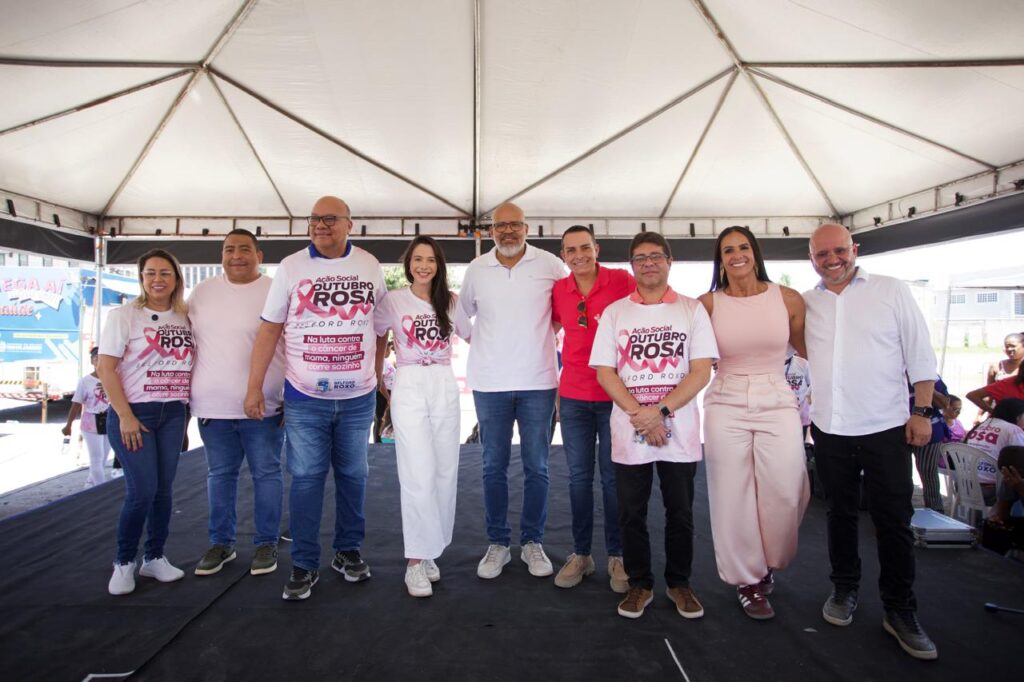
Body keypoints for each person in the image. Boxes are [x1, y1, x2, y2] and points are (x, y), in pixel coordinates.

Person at [803, 223, 939, 660]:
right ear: (812, 258)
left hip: (886, 428)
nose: (832, 260)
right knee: (839, 515)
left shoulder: (891, 290)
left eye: (839, 250)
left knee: (893, 520)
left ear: (854, 250)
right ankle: (844, 590)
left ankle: (900, 610)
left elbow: (920, 354)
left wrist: (921, 413)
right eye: (822, 254)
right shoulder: (808, 304)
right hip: (830, 428)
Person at [245, 196, 387, 601]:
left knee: (354, 477)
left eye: (329, 219)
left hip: (358, 398)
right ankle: (305, 564)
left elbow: (379, 328)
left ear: (349, 224)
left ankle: (347, 551)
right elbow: (269, 330)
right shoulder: (291, 267)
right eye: (314, 219)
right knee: (306, 480)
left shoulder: (369, 265)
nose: (320, 225)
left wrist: (376, 374)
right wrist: (255, 387)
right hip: (305, 398)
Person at [591, 232, 718, 620]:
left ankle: (679, 582)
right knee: (631, 513)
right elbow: (605, 372)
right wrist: (642, 416)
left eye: (656, 256)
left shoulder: (691, 309)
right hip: (630, 428)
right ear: (632, 265)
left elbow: (700, 372)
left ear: (669, 261)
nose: (648, 263)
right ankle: (640, 584)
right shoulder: (615, 312)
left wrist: (658, 412)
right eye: (640, 257)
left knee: (680, 512)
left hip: (677, 430)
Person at [697, 225, 810, 620]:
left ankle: (770, 561)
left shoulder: (788, 298)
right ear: (721, 258)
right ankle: (748, 581)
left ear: (755, 252)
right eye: (728, 250)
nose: (736, 255)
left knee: (786, 487)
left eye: (743, 247)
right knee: (732, 494)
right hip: (725, 399)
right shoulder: (707, 304)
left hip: (777, 398)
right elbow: (692, 359)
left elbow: (810, 351)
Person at [458, 202, 565, 580]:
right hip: (490, 384)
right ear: (490, 231)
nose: (507, 231)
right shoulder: (477, 269)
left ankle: (533, 542)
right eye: (500, 226)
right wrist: (485, 345)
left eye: (514, 225)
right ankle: (499, 544)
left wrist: (549, 333)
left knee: (538, 467)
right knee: (492, 467)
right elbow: (460, 318)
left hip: (539, 382)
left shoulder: (550, 265)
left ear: (527, 228)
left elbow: (569, 305)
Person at [374, 236, 471, 598]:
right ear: (408, 263)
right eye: (418, 259)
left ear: (439, 264)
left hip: (443, 382)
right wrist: (379, 375)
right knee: (416, 471)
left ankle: (432, 550)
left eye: (430, 259)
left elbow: (476, 335)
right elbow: (376, 333)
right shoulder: (394, 300)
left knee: (446, 470)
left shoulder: (452, 301)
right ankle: (414, 561)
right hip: (410, 381)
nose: (424, 266)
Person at [189, 230, 286, 577]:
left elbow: (293, 346)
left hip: (265, 407)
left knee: (267, 475)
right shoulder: (202, 292)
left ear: (259, 254)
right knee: (219, 476)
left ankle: (266, 543)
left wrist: (289, 396)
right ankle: (221, 543)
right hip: (212, 407)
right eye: (229, 249)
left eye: (244, 249)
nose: (236, 256)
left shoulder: (276, 289)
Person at [97, 249, 194, 596]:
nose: (157, 279)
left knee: (164, 491)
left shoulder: (186, 316)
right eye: (150, 273)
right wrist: (124, 415)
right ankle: (124, 562)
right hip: (135, 413)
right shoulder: (125, 316)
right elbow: (105, 368)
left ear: (176, 278)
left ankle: (154, 557)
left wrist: (185, 417)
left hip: (173, 414)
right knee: (141, 491)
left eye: (165, 273)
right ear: (141, 278)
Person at [550, 225, 634, 592]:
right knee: (579, 480)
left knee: (613, 480)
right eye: (571, 250)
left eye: (585, 247)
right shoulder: (558, 289)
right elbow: (549, 328)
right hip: (572, 396)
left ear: (597, 249)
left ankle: (618, 555)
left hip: (615, 397)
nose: (579, 255)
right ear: (563, 255)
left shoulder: (622, 281)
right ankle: (581, 555)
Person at [63, 347, 111, 488]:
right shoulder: (85, 381)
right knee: (96, 458)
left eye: (101, 358)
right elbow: (76, 404)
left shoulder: (114, 378)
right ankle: (101, 489)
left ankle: (90, 483)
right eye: (95, 358)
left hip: (109, 420)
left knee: (103, 458)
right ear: (92, 361)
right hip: (91, 422)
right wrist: (68, 425)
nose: (98, 361)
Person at [963, 398, 1024, 505]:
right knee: (1016, 478)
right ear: (1017, 415)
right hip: (991, 491)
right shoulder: (1013, 429)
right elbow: (1020, 459)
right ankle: (1004, 517)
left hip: (963, 486)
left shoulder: (980, 425)